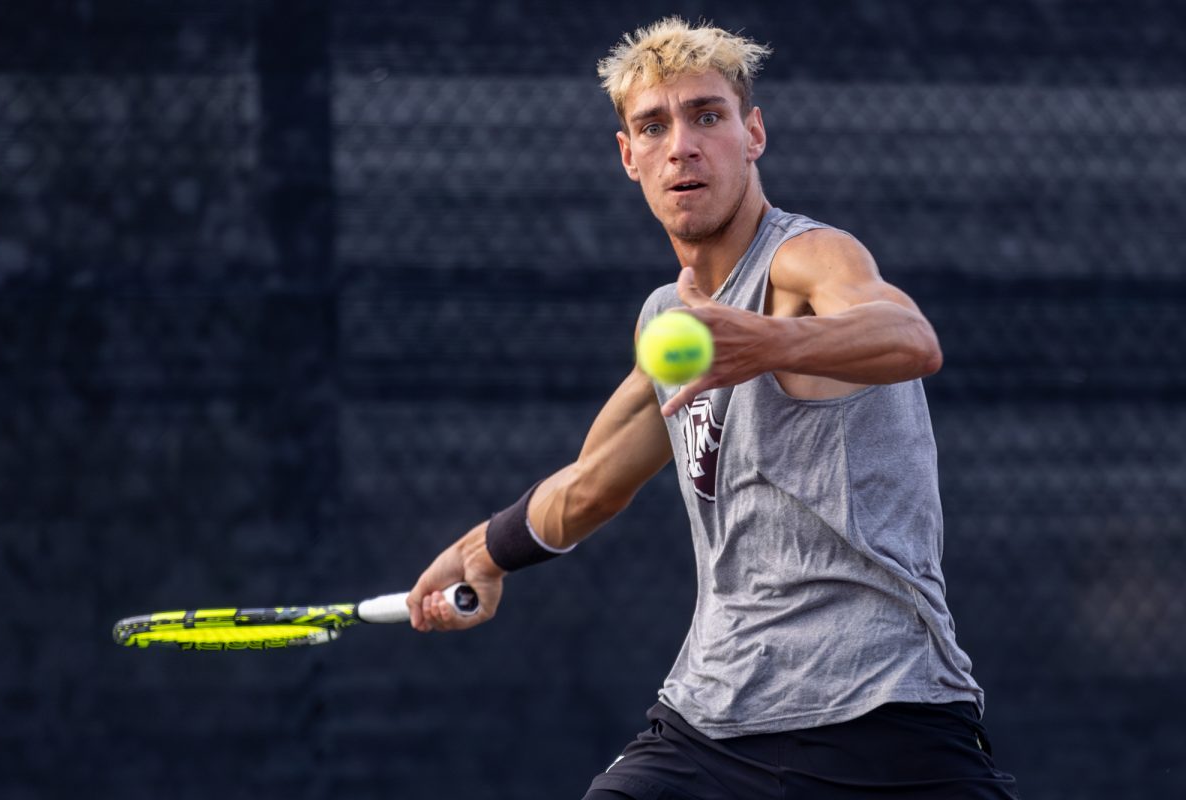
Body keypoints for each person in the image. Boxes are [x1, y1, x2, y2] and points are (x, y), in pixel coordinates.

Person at [406, 16, 1021, 800]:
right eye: (653, 126)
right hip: (710, 727)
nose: (682, 146)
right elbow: (594, 483)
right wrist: (485, 555)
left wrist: (770, 341)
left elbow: (910, 337)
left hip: (882, 717)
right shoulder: (670, 322)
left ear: (752, 132)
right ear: (628, 156)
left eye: (707, 117)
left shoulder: (806, 261)